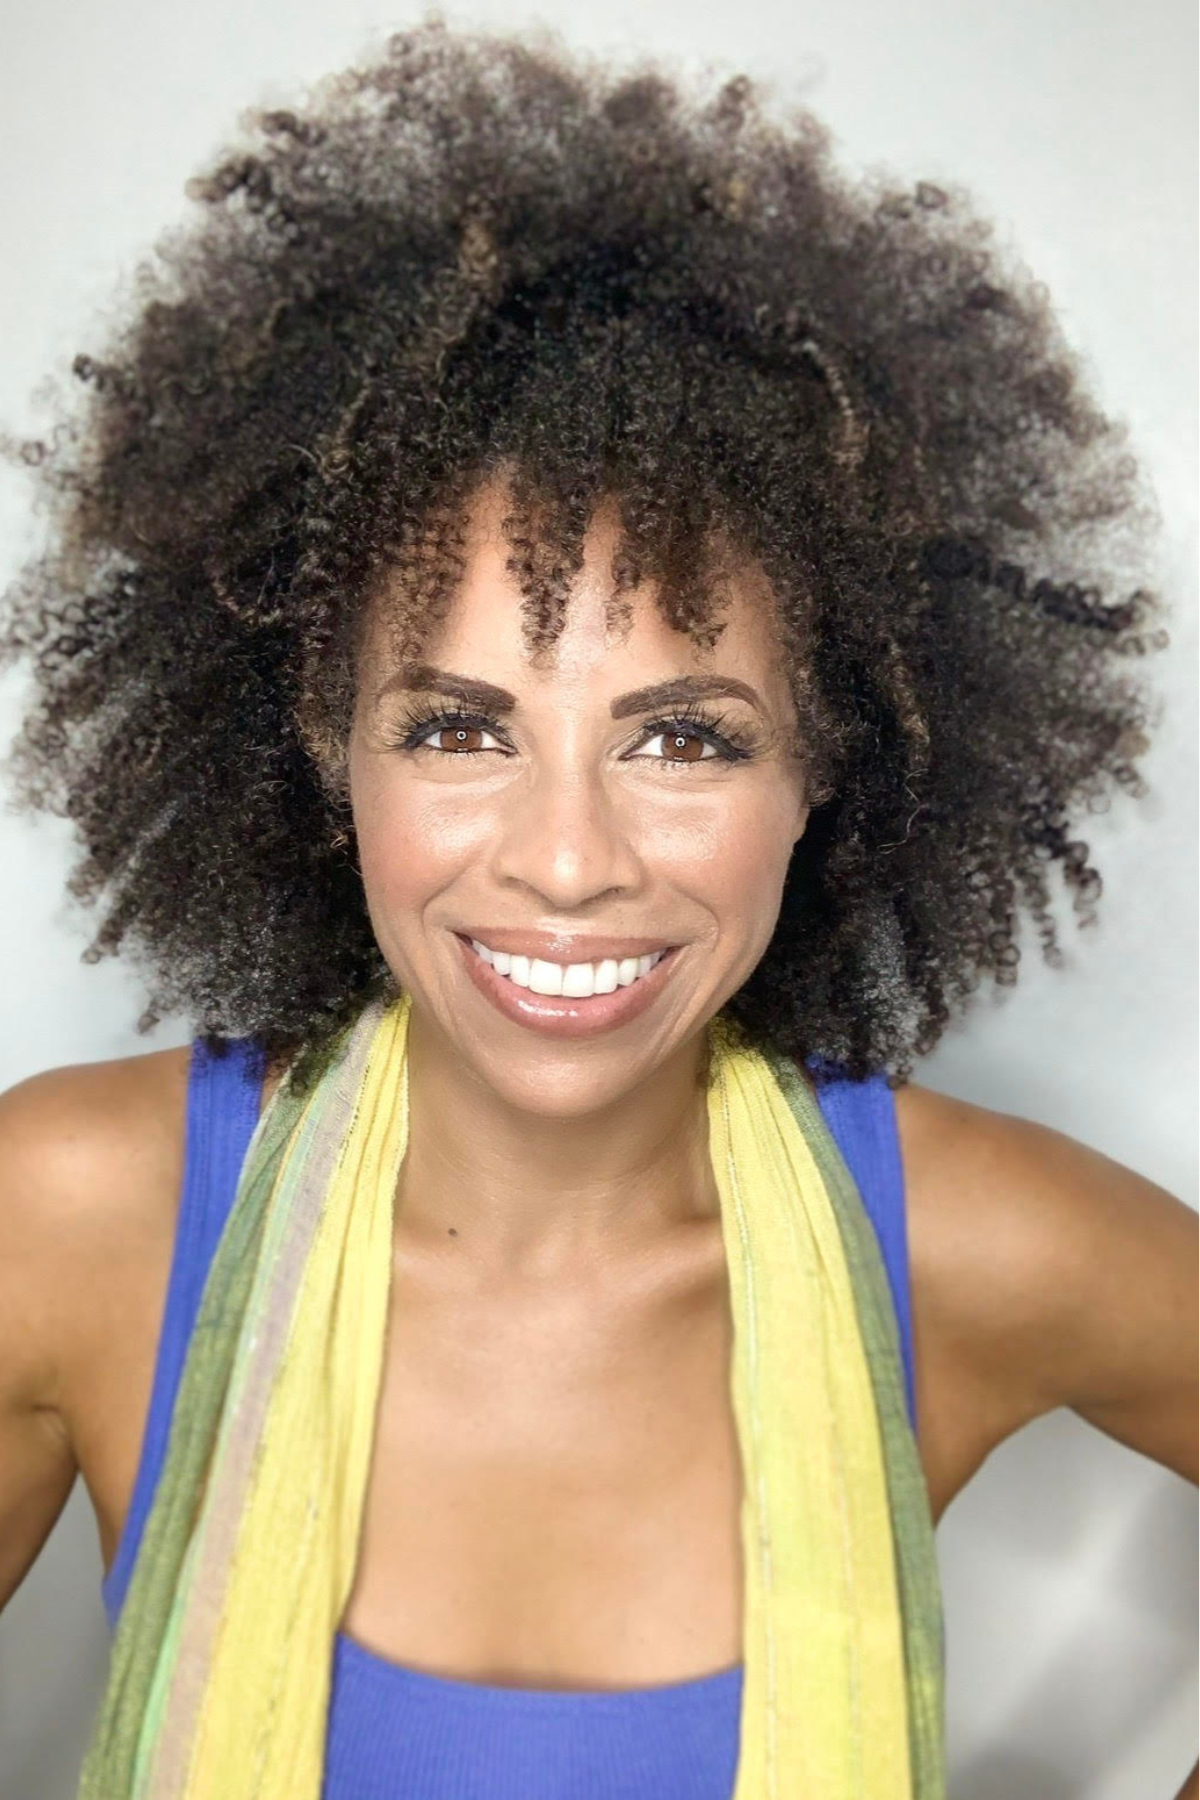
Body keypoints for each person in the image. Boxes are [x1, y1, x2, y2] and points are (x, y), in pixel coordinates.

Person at [0, 15, 1194, 1799]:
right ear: (331, 750)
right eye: (460, 726)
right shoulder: (81, 1221)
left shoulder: (960, 1248)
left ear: (827, 772)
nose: (567, 859)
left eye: (686, 739)